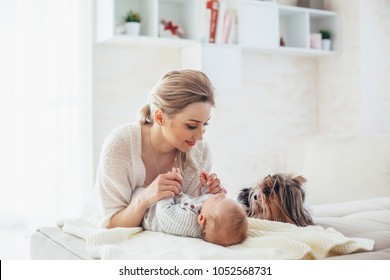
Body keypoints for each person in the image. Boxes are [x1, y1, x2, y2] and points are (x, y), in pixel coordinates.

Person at [95, 69, 226, 229]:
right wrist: (145, 199)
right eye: (191, 126)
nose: (200, 137)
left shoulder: (201, 152)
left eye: (205, 124)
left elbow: (191, 223)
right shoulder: (120, 146)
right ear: (160, 117)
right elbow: (110, 225)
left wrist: (210, 199)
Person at [141, 168, 248, 247]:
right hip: (152, 198)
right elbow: (199, 201)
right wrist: (206, 187)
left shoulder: (187, 223)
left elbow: (164, 213)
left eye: (219, 200)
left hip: (146, 209)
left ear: (201, 219)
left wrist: (170, 189)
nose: (221, 195)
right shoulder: (206, 211)